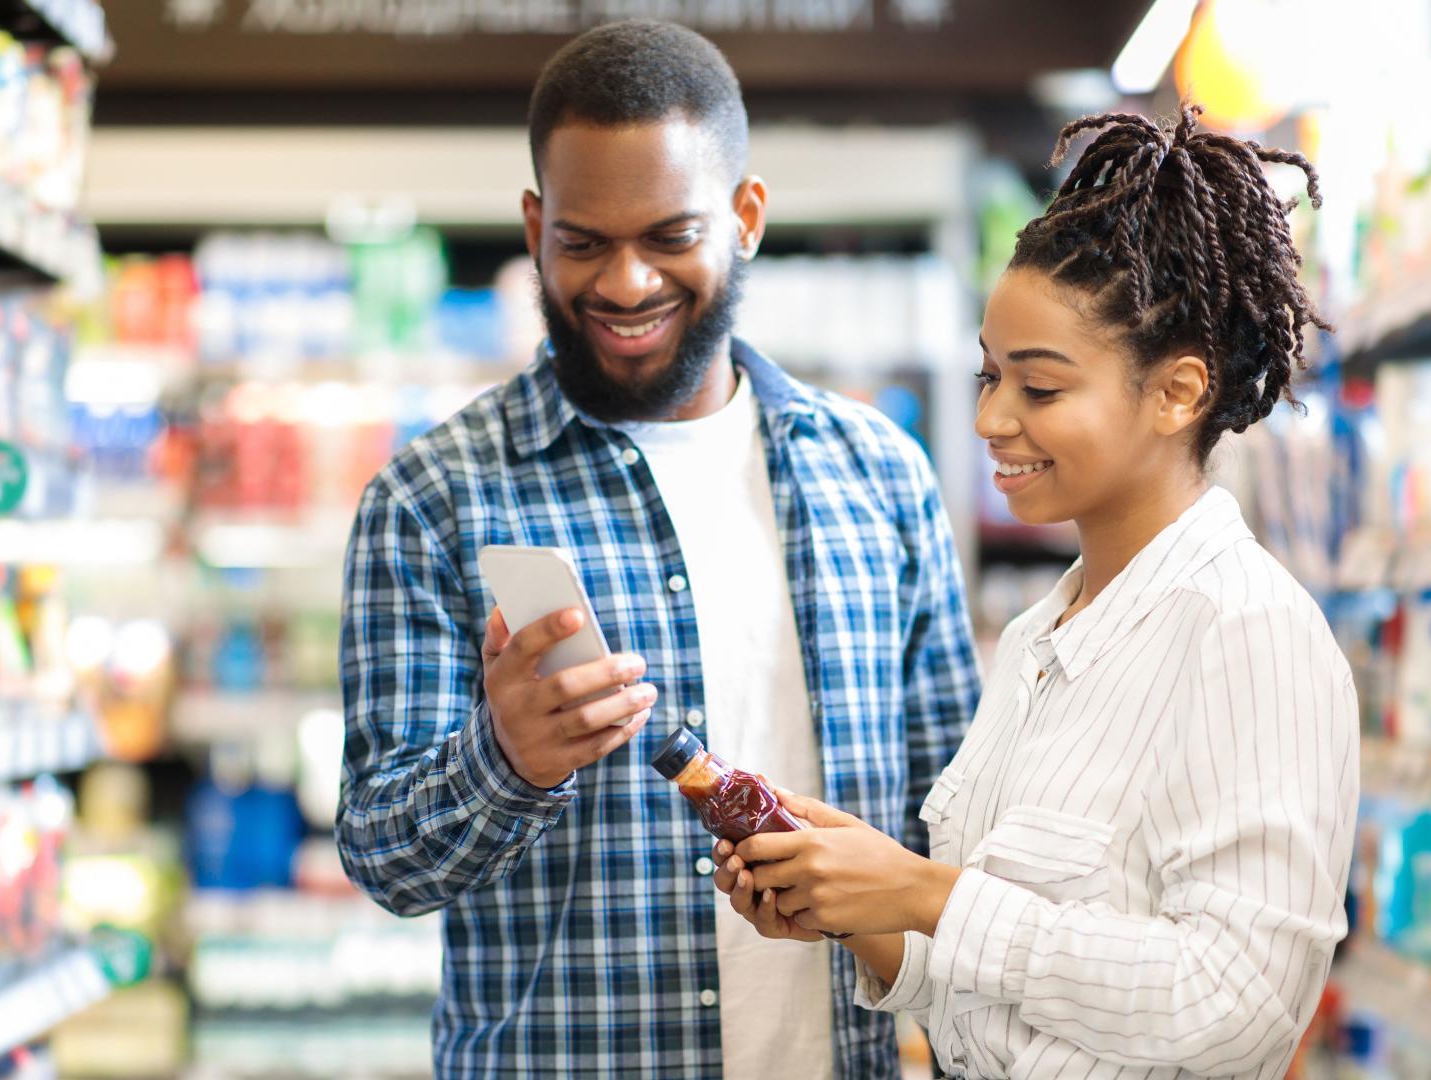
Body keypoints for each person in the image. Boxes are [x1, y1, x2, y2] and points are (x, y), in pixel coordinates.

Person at [336, 19, 980, 1080]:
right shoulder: (434, 497)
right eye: (583, 242)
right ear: (536, 227)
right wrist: (504, 762)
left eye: (670, 237)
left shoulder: (878, 476)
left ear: (746, 217)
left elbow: (958, 828)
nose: (627, 284)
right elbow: (383, 858)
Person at [712, 106, 1359, 1080]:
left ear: (1177, 393)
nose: (989, 418)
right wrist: (857, 909)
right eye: (987, 375)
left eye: (1040, 389)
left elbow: (1240, 1005)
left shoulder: (1249, 630)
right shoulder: (1036, 636)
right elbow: (997, 984)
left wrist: (929, 893)